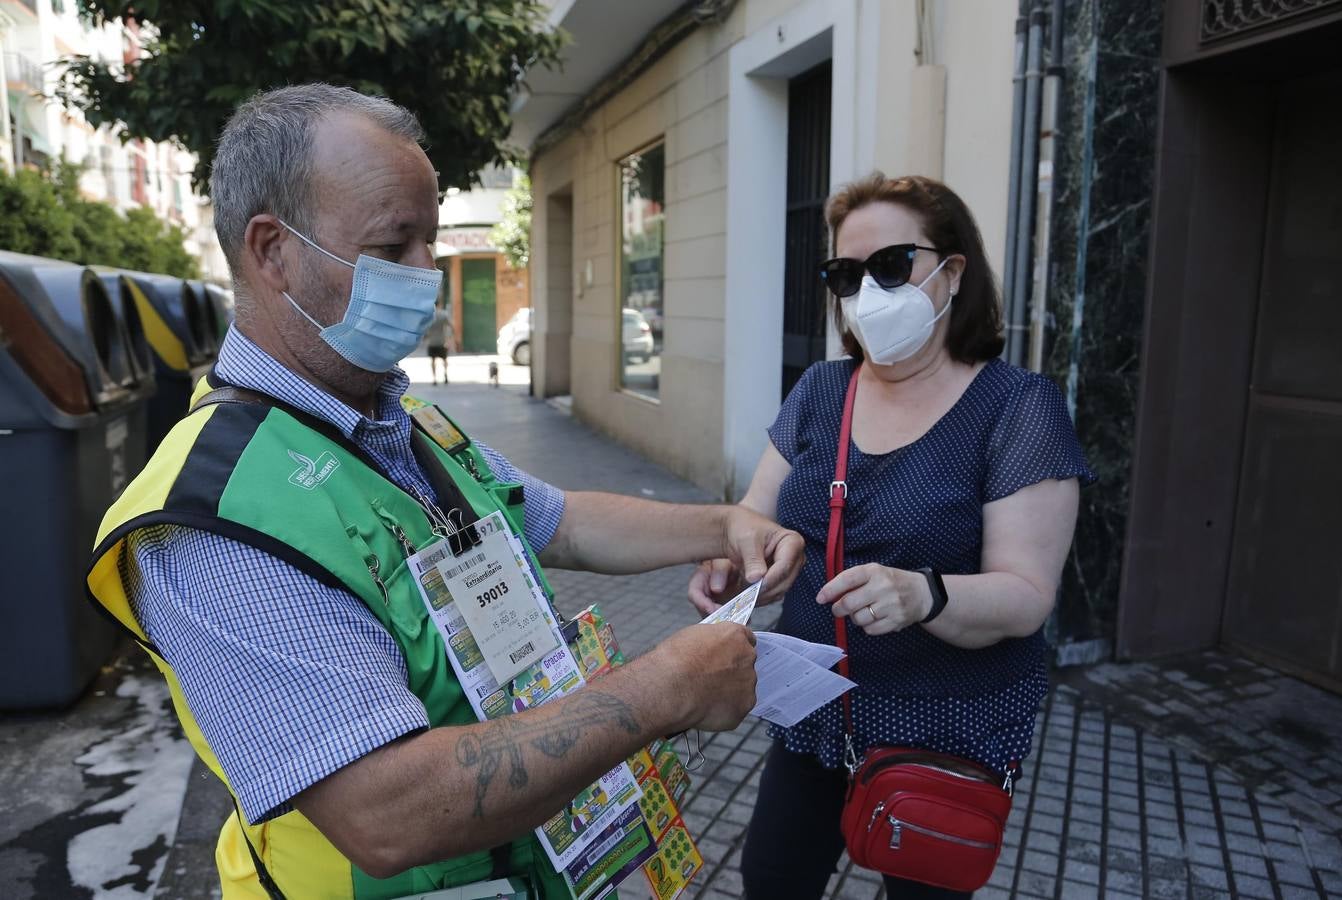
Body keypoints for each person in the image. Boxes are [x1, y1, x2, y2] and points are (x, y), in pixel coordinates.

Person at [87, 85, 804, 899]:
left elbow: (558, 521)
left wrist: (723, 523)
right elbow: (383, 812)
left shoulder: (405, 420)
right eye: (396, 244)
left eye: (431, 240)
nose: (428, 275)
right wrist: (667, 689)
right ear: (271, 250)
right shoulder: (211, 519)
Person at [688, 173, 1095, 900]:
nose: (868, 290)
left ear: (952, 270)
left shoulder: (1017, 408)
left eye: (891, 265)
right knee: (772, 882)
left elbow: (1027, 596)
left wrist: (923, 594)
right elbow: (756, 514)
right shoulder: (821, 388)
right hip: (812, 712)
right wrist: (734, 562)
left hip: (940, 733)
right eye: (848, 273)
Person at [425, 300, 452, 383]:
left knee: (433, 360)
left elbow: (424, 329)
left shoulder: (429, 316)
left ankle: (434, 378)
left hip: (432, 341)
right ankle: (445, 374)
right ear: (439, 304)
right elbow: (451, 326)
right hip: (441, 341)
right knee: (444, 359)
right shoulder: (443, 314)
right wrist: (450, 338)